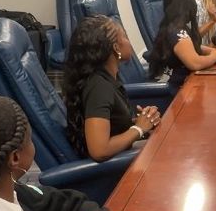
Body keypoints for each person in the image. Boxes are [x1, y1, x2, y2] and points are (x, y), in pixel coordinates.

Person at [63, 15, 162, 161]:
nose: (129, 41)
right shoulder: (99, 87)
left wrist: (142, 122)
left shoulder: (106, 78)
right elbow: (99, 150)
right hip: (117, 169)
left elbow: (110, 126)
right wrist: (138, 129)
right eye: (125, 36)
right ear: (116, 48)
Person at [146, 0, 216, 89]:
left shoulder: (172, 26)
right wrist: (214, 57)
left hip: (178, 81)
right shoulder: (177, 33)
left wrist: (211, 51)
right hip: (172, 89)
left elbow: (189, 47)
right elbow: (195, 63)